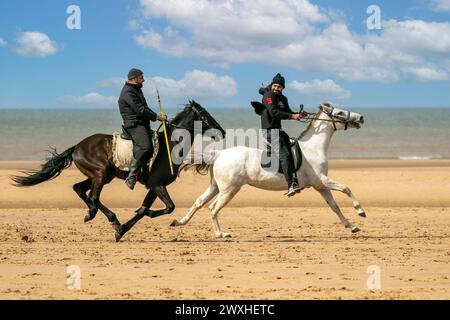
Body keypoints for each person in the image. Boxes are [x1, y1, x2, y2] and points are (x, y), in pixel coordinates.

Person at [118, 68, 167, 190]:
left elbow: (145, 107)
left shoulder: (136, 90)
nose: (143, 80)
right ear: (135, 78)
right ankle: (131, 175)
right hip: (134, 125)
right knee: (146, 147)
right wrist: (157, 117)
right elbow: (139, 110)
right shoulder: (128, 92)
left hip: (142, 123)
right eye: (141, 78)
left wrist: (159, 116)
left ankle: (146, 174)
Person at [260, 73, 304, 197]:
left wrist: (298, 115)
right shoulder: (268, 96)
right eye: (275, 85)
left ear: (283, 88)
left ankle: (295, 178)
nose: (276, 88)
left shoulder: (283, 99)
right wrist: (292, 116)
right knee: (285, 155)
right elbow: (273, 112)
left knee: (291, 149)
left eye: (279, 86)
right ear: (271, 85)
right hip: (269, 131)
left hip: (278, 130)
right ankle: (290, 185)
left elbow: (288, 112)